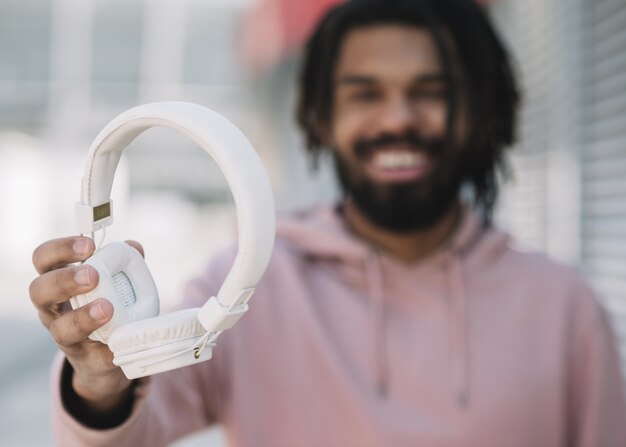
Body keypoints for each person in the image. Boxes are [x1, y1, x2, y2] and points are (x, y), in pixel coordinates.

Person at [29, 0, 626, 446]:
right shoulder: (249, 284)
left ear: (478, 113)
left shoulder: (565, 308)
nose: (398, 117)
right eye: (365, 94)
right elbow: (135, 431)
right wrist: (101, 384)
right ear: (321, 117)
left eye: (430, 91)